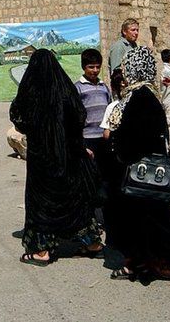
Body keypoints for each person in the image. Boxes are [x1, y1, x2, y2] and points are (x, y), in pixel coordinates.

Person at [103, 47, 170, 282]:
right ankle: (137, 262)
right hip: (143, 172)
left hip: (141, 173)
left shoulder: (141, 98)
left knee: (156, 220)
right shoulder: (143, 94)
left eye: (127, 67)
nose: (124, 71)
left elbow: (136, 137)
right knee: (143, 221)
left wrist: (118, 141)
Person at [10, 49, 104, 266]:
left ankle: (42, 251)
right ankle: (92, 244)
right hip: (69, 157)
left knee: (42, 204)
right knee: (75, 200)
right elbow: (80, 115)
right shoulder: (66, 89)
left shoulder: (31, 93)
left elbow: (18, 119)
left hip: (42, 161)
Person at [74, 49, 113, 237]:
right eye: (91, 67)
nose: (95, 70)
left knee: (105, 177)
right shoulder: (78, 88)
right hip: (87, 138)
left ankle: (106, 216)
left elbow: (111, 109)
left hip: (103, 138)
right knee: (89, 179)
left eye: (98, 67)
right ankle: (90, 218)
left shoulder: (104, 87)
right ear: (84, 67)